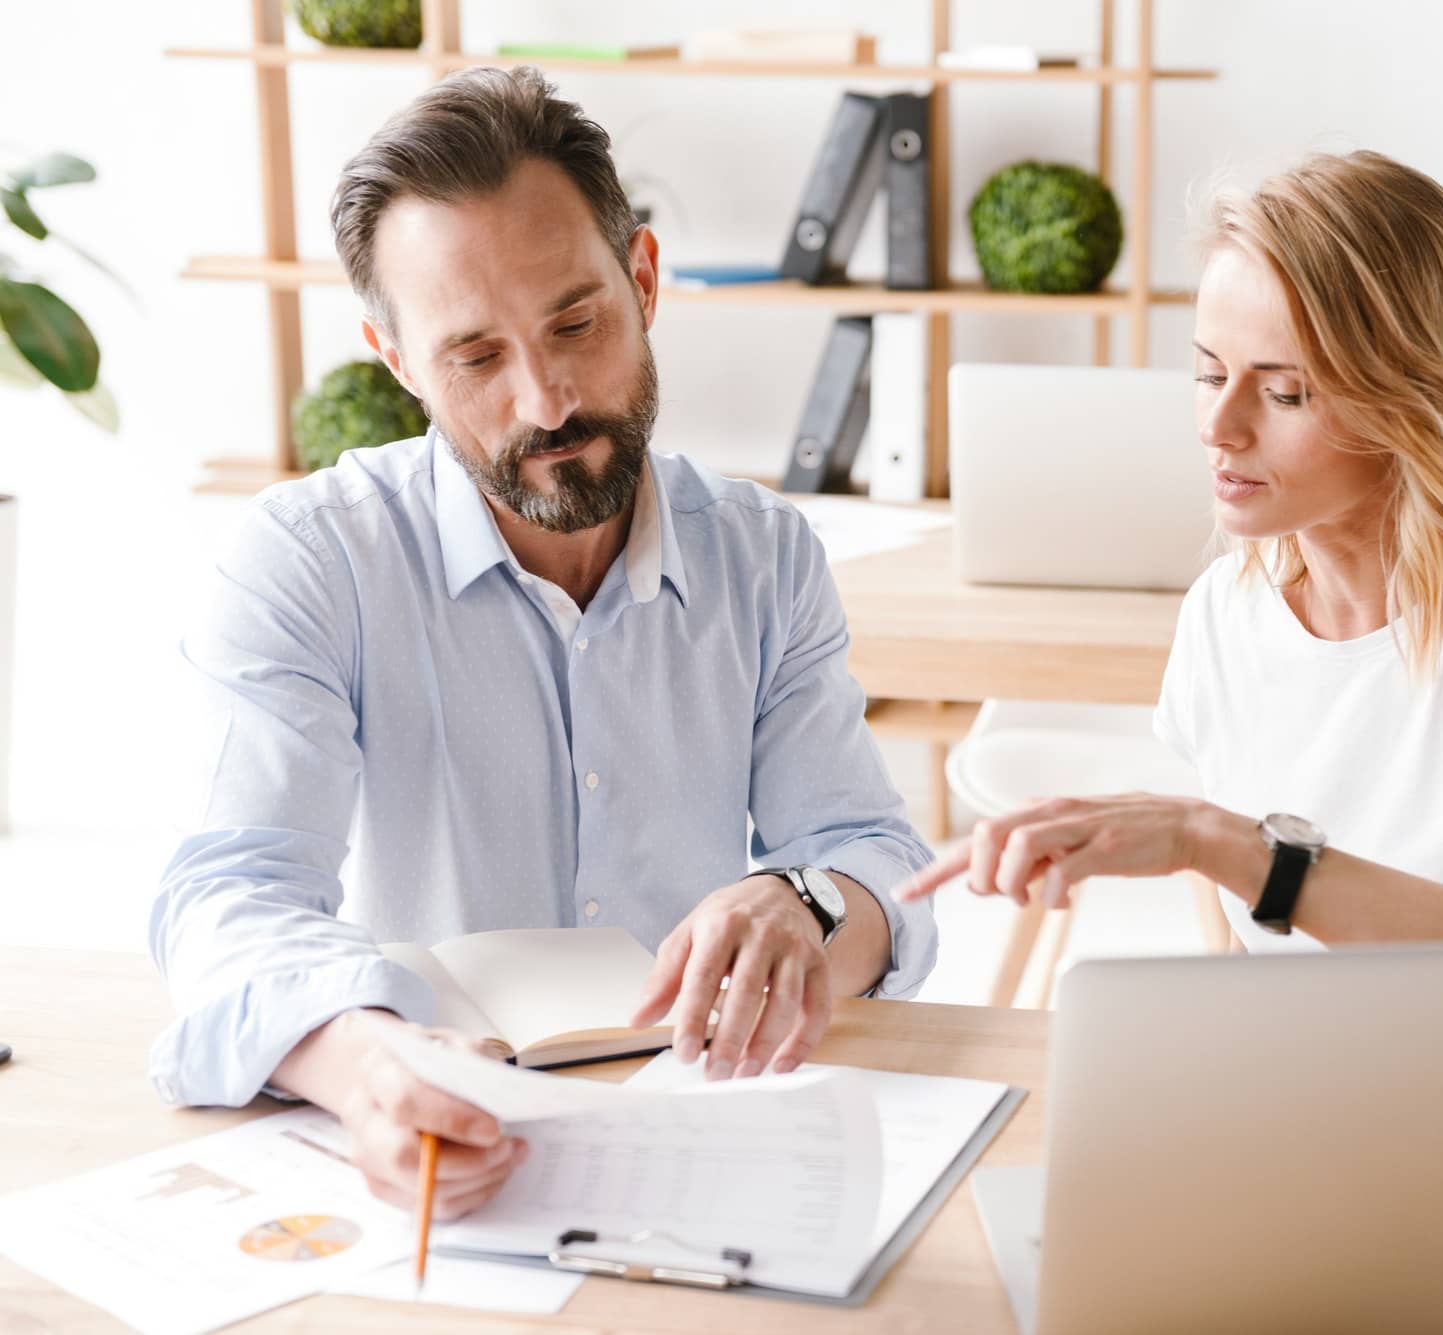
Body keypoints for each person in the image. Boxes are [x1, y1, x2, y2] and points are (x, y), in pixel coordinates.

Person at [148, 66, 937, 1219]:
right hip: (434, 1140)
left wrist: (805, 906)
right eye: (475, 358)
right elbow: (230, 894)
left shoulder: (764, 555)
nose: (549, 399)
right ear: (397, 361)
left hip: (706, 1144)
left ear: (646, 277)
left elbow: (868, 854)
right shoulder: (309, 560)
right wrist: (370, 1070)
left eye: (577, 320)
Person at [897, 151, 1443, 951]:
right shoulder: (1222, 616)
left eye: (1286, 393)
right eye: (1211, 375)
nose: (1219, 427)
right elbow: (1241, 978)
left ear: (1410, 398)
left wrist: (1224, 843)